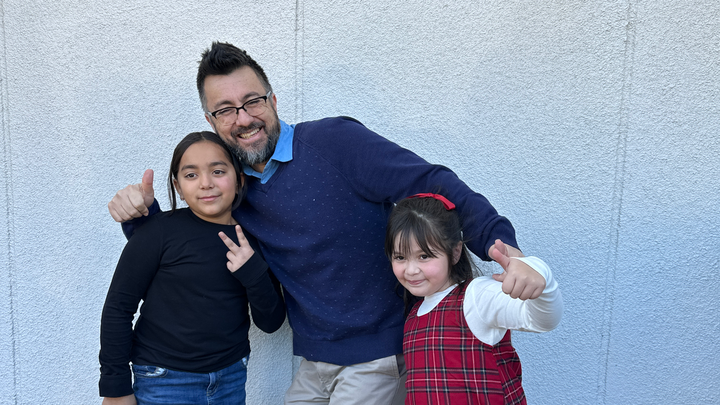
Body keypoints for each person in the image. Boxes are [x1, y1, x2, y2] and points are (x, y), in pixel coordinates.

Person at [107, 42, 542, 405]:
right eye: (225, 110)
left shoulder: (335, 142)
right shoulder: (232, 189)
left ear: (273, 100)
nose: (243, 118)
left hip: (378, 354)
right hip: (314, 360)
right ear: (211, 122)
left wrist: (504, 247)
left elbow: (432, 183)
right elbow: (197, 241)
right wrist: (141, 217)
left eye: (252, 101)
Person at [99, 131, 285, 405]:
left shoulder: (252, 240)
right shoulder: (158, 231)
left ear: (239, 179)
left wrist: (253, 273)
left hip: (231, 378)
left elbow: (270, 323)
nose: (206, 183)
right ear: (178, 187)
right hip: (163, 380)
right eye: (191, 175)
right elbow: (118, 308)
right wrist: (116, 389)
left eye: (218, 171)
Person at [384, 194, 563, 404]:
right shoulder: (414, 315)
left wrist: (539, 272)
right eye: (400, 257)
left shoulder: (476, 296)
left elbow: (543, 321)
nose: (411, 270)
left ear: (455, 252)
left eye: (424, 256)